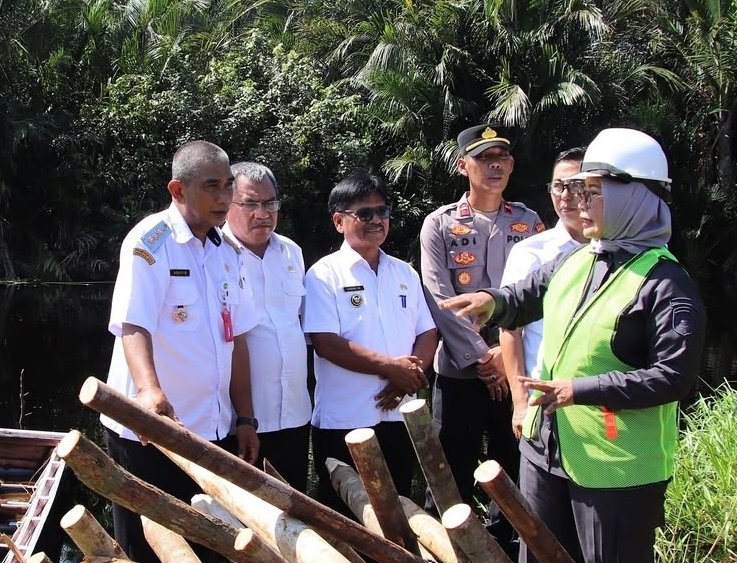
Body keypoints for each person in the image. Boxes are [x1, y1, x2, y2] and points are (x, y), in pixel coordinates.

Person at [438, 128, 706, 563]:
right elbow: (527, 296)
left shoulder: (665, 284)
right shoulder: (581, 258)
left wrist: (578, 390)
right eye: (579, 190)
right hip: (547, 448)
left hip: (616, 464)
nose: (580, 203)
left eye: (594, 192)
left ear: (633, 196)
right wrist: (491, 302)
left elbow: (673, 377)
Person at [103, 140, 259, 563]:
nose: (224, 197)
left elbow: (236, 338)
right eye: (211, 186)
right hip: (151, 432)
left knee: (211, 550)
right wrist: (149, 392)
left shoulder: (228, 252)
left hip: (211, 431)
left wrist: (246, 418)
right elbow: (133, 324)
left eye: (228, 185)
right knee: (149, 555)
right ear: (177, 190)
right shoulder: (151, 242)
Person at [419, 123, 543, 513]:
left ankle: (510, 547)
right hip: (459, 372)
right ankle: (445, 548)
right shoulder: (439, 224)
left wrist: (505, 358)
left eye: (502, 157)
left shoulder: (530, 223)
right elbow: (439, 297)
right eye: (484, 158)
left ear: (512, 164)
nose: (495, 165)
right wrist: (482, 357)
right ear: (463, 166)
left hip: (516, 370)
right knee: (449, 476)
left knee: (516, 475)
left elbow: (542, 294)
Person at [304, 169, 438, 514]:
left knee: (400, 514)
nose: (377, 220)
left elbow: (427, 332)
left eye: (383, 211)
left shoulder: (404, 272)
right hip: (345, 419)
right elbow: (326, 342)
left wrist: (408, 377)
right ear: (339, 221)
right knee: (346, 518)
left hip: (399, 416)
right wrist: (391, 368)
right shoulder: (323, 274)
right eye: (365, 213)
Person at [222, 161, 313, 491]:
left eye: (270, 203)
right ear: (227, 203)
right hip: (240, 420)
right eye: (250, 204)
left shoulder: (291, 252)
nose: (262, 213)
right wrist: (244, 417)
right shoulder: (214, 254)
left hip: (295, 412)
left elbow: (298, 323)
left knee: (297, 504)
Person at [500, 147, 587, 439]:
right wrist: (520, 403)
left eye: (576, 185)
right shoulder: (531, 251)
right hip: (543, 404)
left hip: (596, 403)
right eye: (558, 186)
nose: (565, 195)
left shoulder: (617, 250)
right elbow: (510, 331)